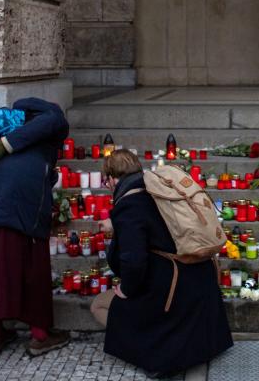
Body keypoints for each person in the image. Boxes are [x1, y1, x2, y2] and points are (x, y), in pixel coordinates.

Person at [92, 150, 232, 377]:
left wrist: (126, 289)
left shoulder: (129, 206)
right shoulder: (159, 190)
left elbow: (134, 262)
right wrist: (116, 223)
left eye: (105, 181)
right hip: (201, 282)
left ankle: (146, 349)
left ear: (111, 179)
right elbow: (154, 226)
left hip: (172, 290)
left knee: (98, 305)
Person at [0, 97, 70, 357]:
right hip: (22, 192)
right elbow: (56, 120)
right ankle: (39, 336)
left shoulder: (4, 126)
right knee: (32, 261)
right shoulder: (48, 117)